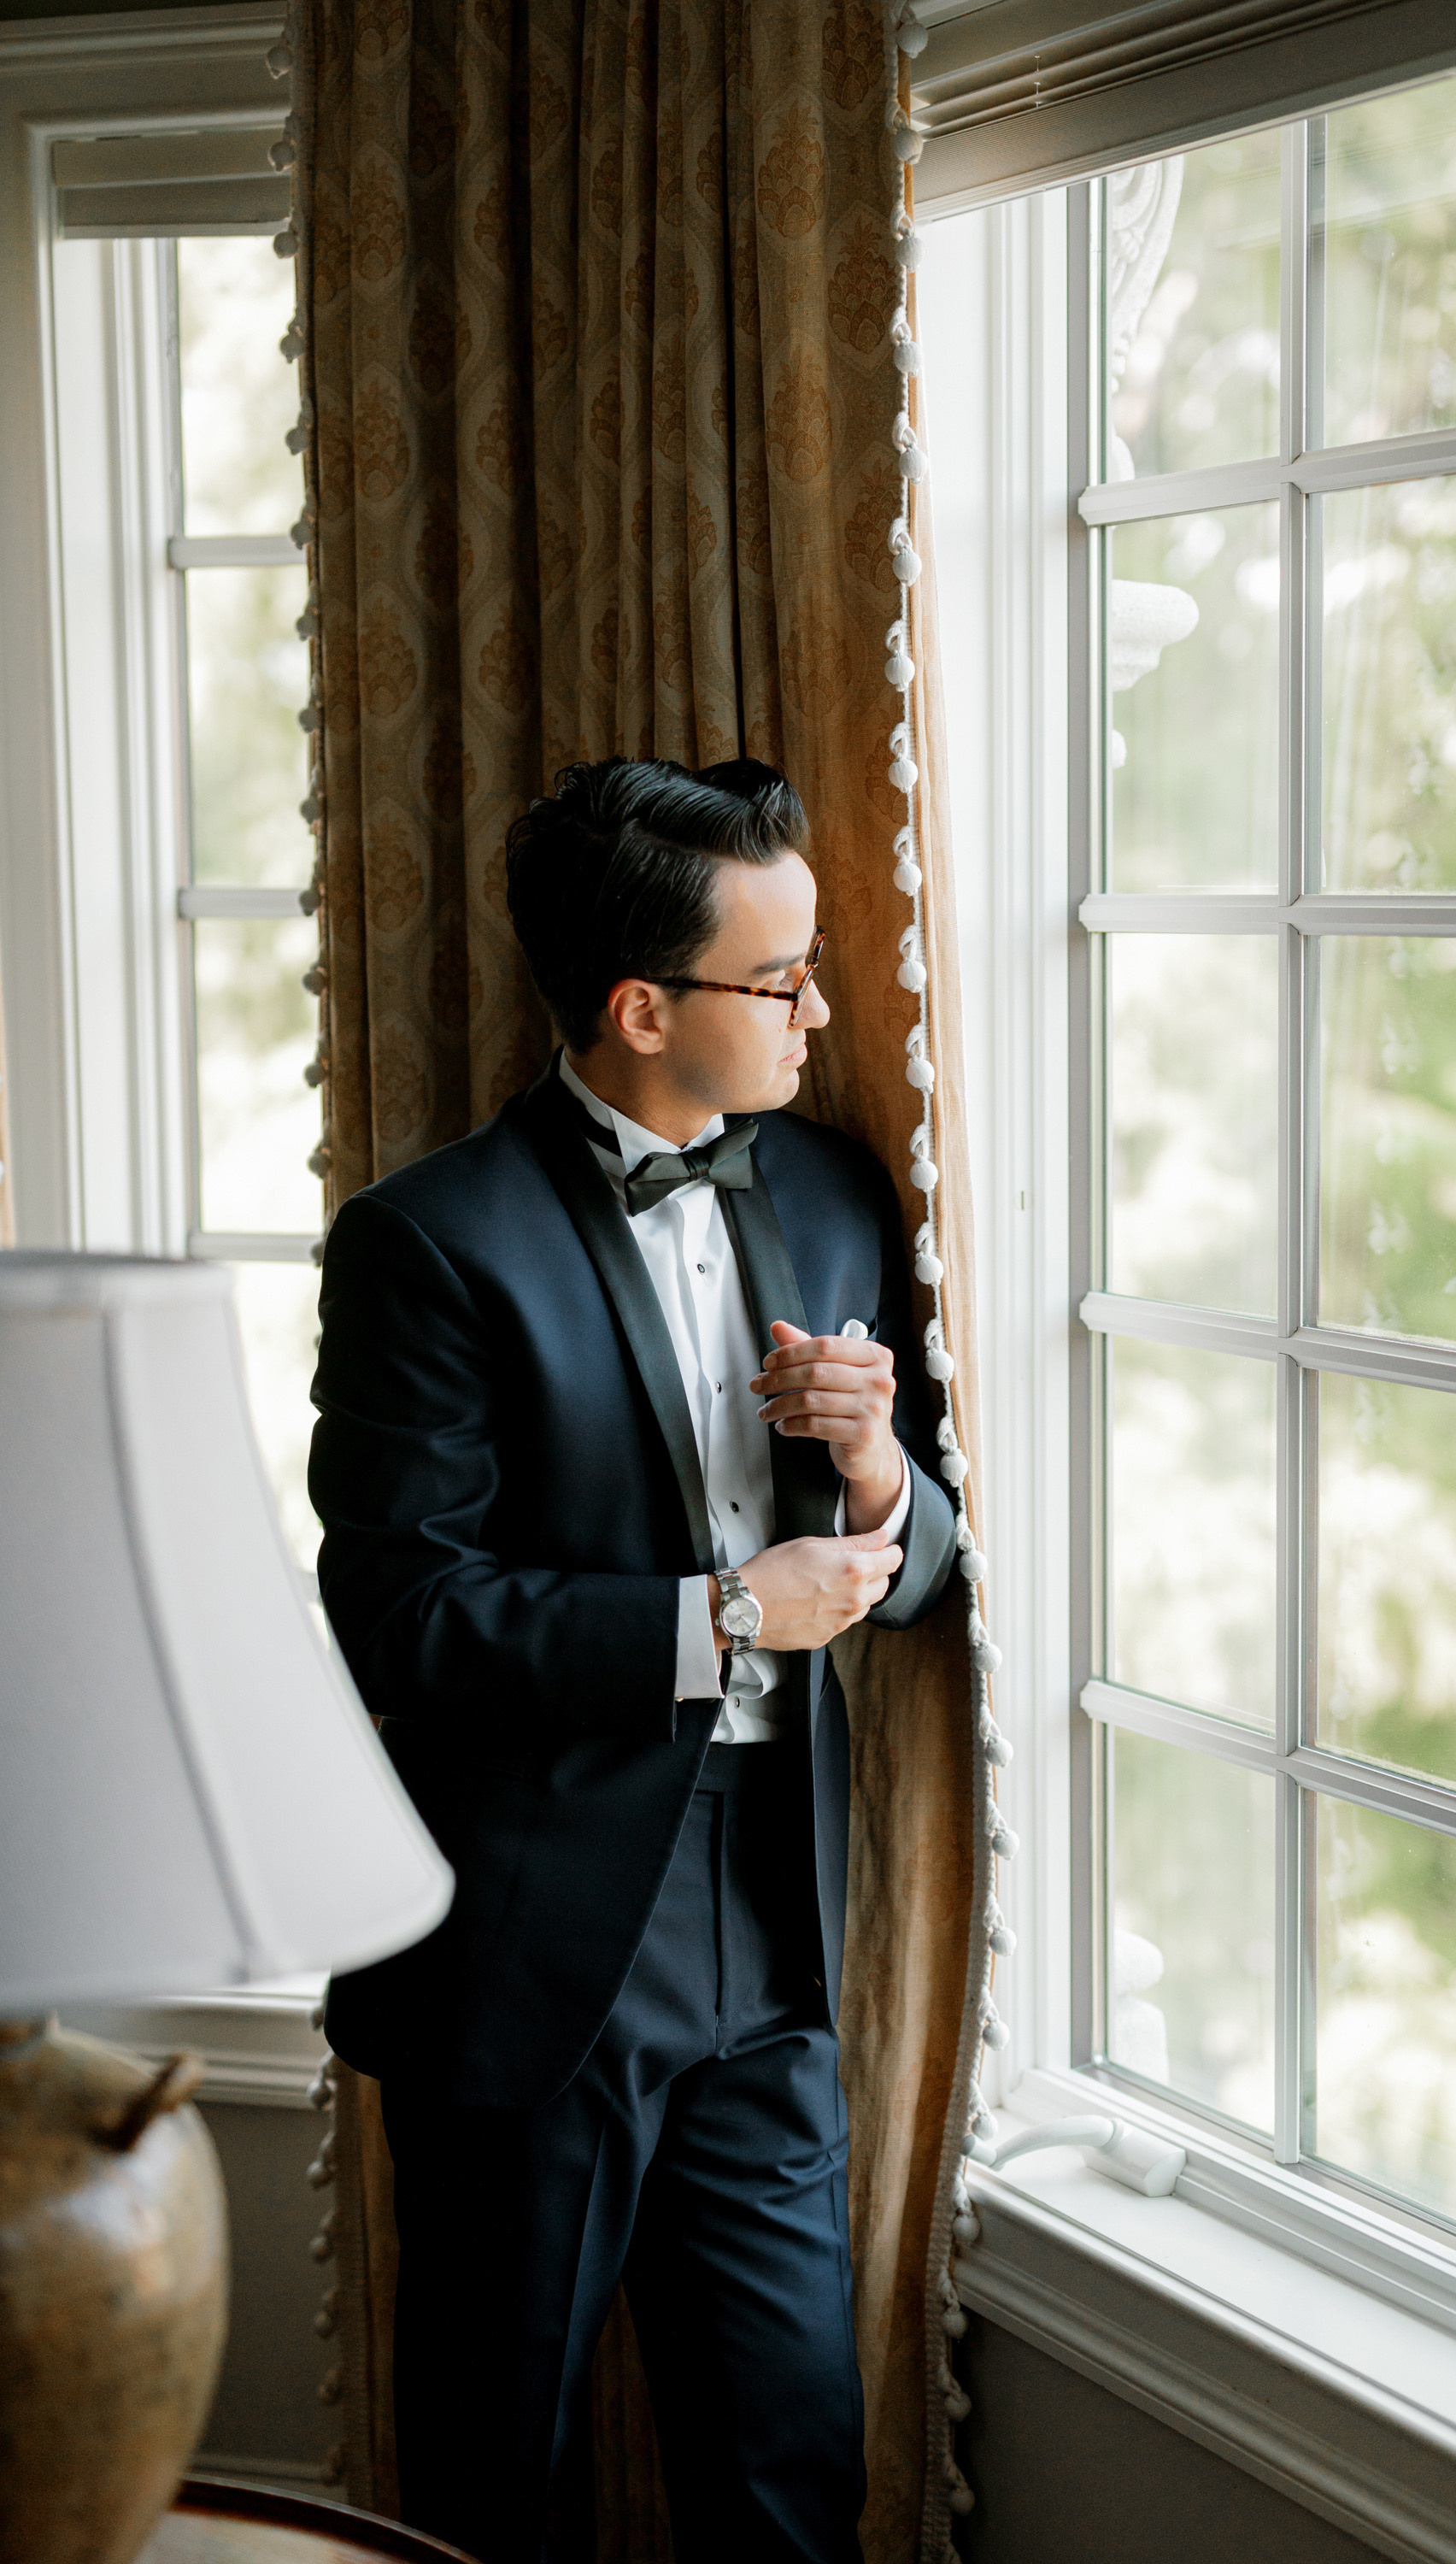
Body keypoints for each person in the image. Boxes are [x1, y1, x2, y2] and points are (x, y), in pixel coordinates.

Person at [308, 755, 958, 2564]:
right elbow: (404, 1618)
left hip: (775, 1912)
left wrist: (874, 1467)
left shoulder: (835, 1193)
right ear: (637, 1006)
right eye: (783, 979)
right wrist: (728, 1616)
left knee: (788, 2473)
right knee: (488, 2484)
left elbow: (934, 1560)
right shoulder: (428, 1245)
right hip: (537, 1939)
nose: (823, 1009)